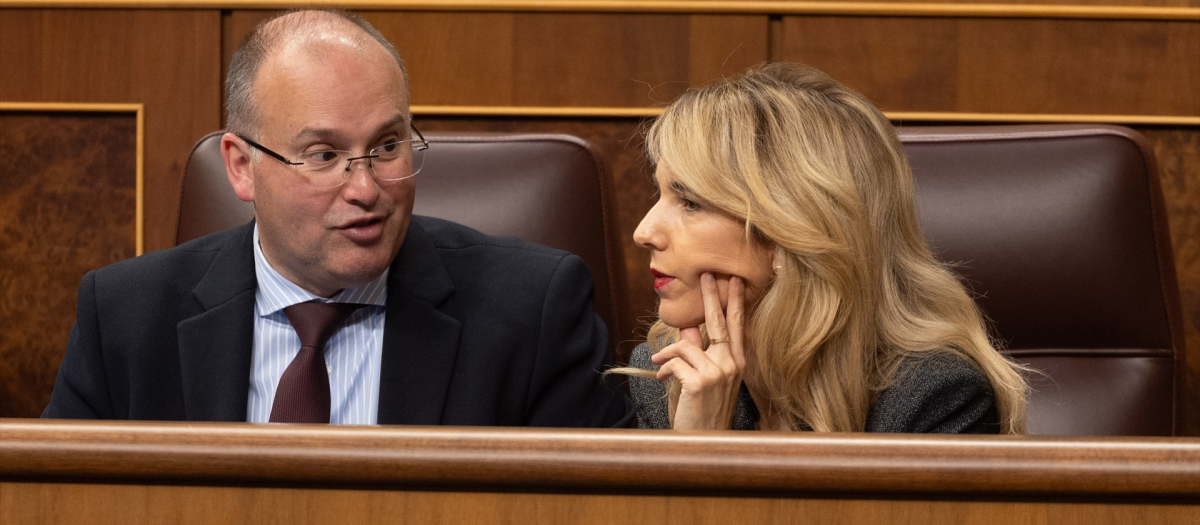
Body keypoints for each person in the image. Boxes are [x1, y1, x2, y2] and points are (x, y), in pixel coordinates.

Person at [42, 9, 632, 428]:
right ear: (241, 167)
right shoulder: (123, 318)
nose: (366, 188)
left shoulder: (532, 314)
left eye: (387, 146)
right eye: (323, 156)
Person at [621, 63, 1028, 433]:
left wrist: (706, 456)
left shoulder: (932, 396)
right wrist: (694, 445)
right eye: (660, 195)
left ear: (789, 232)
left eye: (690, 202)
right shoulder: (666, 376)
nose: (644, 232)